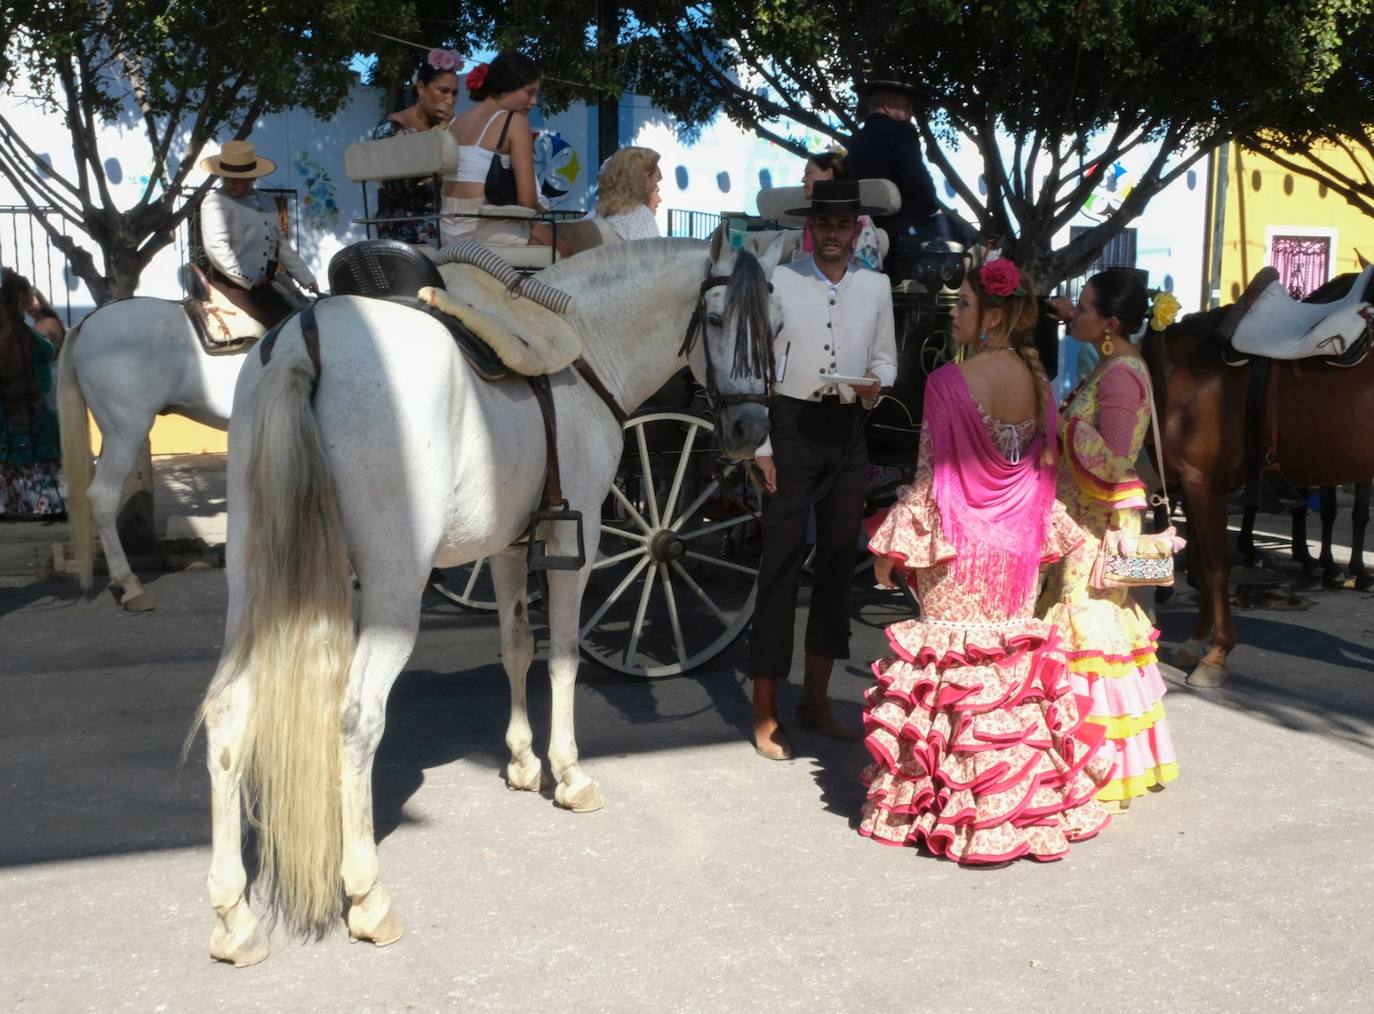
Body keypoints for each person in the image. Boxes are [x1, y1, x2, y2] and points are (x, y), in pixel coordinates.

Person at [859, 251, 1111, 862]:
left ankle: (955, 809)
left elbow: (930, 477)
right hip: (1020, 546)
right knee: (1007, 674)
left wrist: (892, 548)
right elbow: (1044, 472)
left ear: (994, 316)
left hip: (960, 547)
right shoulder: (1039, 380)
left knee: (955, 668)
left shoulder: (948, 382)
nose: (955, 315)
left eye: (966, 304)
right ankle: (1019, 806)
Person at [748, 179, 898, 761]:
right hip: (790, 428)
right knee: (779, 566)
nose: (833, 236)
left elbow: (886, 356)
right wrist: (760, 444)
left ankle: (815, 698)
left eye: (843, 226)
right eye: (824, 226)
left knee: (839, 564)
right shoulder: (783, 280)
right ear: (811, 228)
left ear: (858, 227)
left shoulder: (877, 286)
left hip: (849, 429)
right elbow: (757, 364)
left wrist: (876, 384)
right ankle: (765, 707)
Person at [1040, 269, 1179, 810]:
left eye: (1085, 306)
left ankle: (1097, 762)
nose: (1075, 311)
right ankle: (1091, 758)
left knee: (1090, 631)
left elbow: (1118, 463)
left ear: (1110, 323)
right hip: (1086, 524)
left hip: (1099, 528)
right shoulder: (1111, 364)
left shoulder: (1121, 374)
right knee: (1094, 631)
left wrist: (1061, 426)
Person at [441, 50, 563, 253]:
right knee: (563, 249)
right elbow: (527, 202)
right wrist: (541, 209)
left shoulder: (456, 122)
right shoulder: (514, 121)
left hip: (448, 231)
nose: (533, 101)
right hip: (484, 232)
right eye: (529, 92)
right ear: (507, 88)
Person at [199, 140, 319, 329]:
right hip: (236, 286)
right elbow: (217, 248)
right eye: (226, 177)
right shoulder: (215, 202)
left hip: (270, 283)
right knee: (287, 328)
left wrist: (306, 277)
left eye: (237, 178)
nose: (230, 183)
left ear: (252, 178)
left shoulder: (267, 201)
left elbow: (281, 244)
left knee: (308, 315)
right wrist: (251, 276)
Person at [371, 49, 463, 245]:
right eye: (443, 91)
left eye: (455, 93)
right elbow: (399, 189)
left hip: (447, 232)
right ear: (421, 89)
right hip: (404, 238)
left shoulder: (448, 129)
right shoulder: (392, 128)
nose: (450, 100)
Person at [846, 72, 942, 251]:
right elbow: (915, 178)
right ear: (888, 106)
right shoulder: (902, 131)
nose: (911, 112)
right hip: (902, 232)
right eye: (907, 106)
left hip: (867, 231)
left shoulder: (856, 139)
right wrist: (932, 207)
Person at [0, 268, 65, 519]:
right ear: (21, 297)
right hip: (33, 406)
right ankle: (48, 506)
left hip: (8, 407)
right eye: (29, 293)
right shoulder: (22, 331)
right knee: (42, 458)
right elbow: (46, 352)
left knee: (11, 460)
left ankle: (9, 506)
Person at [794, 147, 882, 271]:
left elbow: (868, 269)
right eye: (822, 224)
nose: (803, 179)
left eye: (808, 173)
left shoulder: (858, 218)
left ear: (828, 174)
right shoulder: (811, 218)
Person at [588, 146, 662, 240]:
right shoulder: (640, 216)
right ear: (646, 178)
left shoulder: (599, 213)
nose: (655, 183)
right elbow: (652, 253)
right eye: (655, 178)